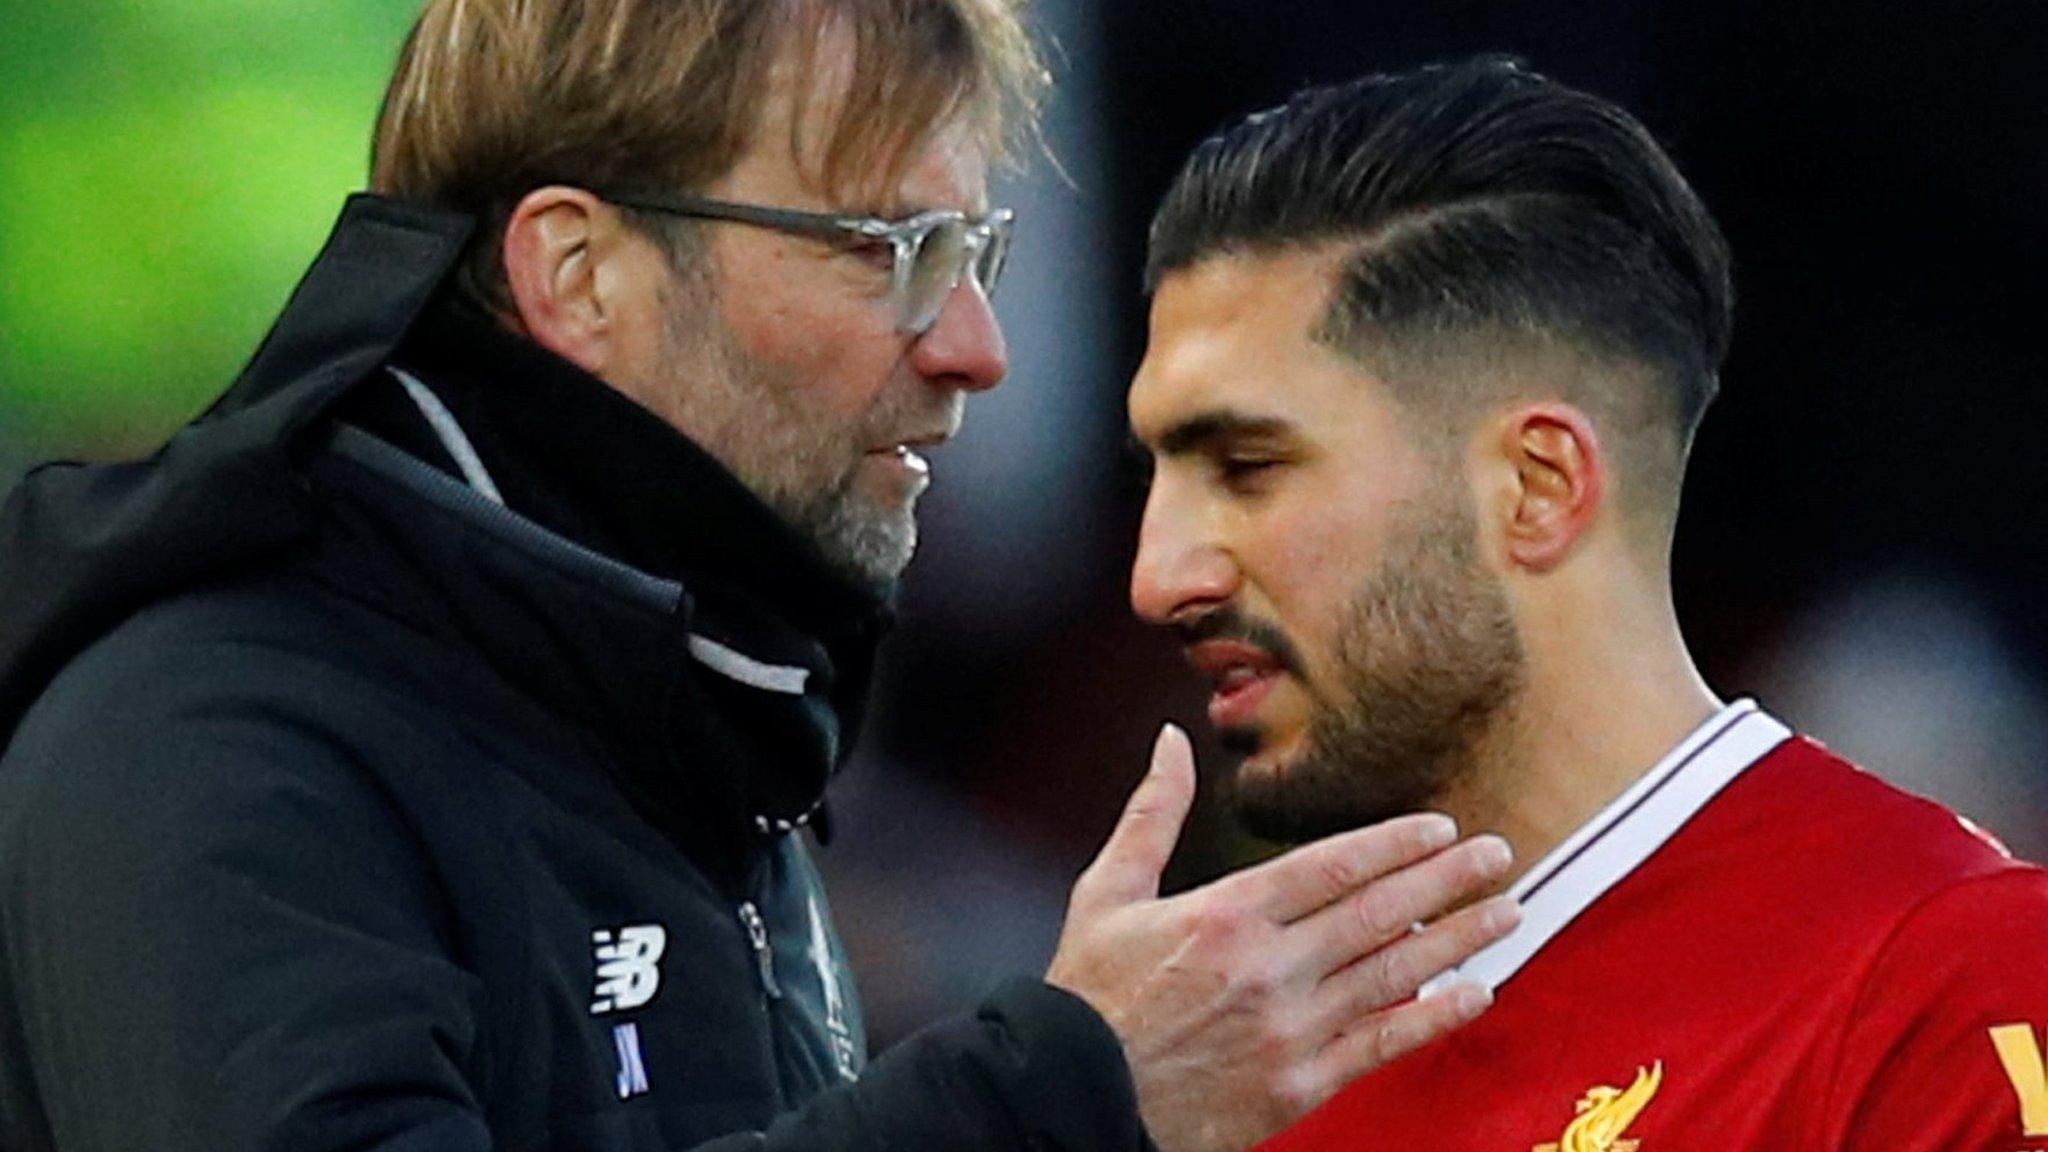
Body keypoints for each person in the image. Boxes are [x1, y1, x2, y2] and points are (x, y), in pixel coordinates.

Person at [0, 5, 1530, 1152]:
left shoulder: (679, 713)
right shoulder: (209, 742)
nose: (976, 350)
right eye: (891, 251)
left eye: (976, 251)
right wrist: (1053, 1095)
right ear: (580, 275)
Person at [1126, 57, 2048, 1150]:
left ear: (1535, 489)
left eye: (1244, 467)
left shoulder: (1938, 980)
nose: (1157, 575)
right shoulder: (1232, 1089)